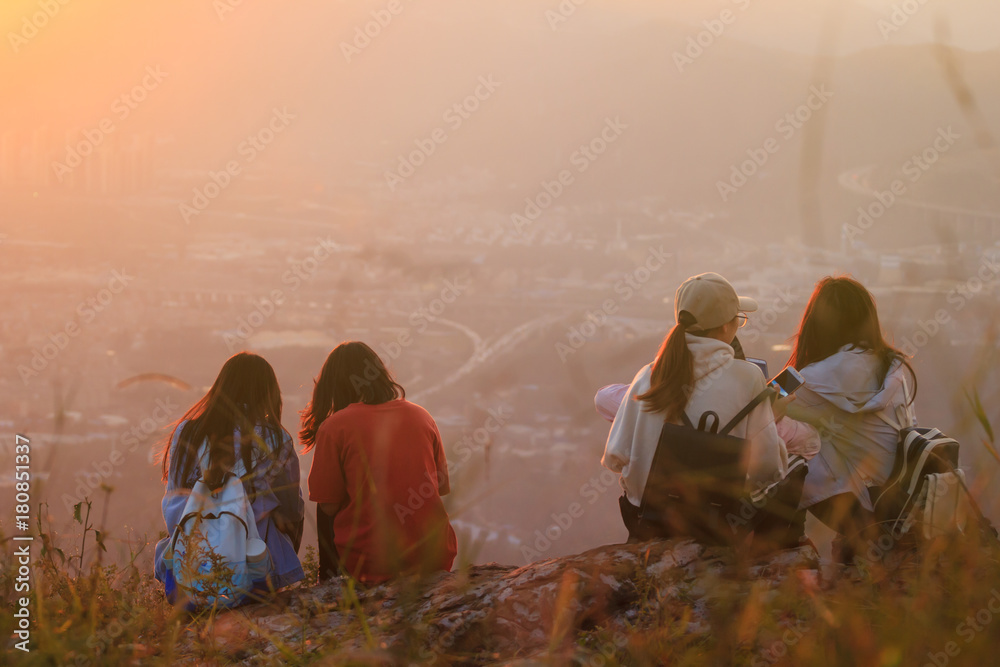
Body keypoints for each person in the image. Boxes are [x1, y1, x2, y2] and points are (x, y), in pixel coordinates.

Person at [602, 272, 791, 542]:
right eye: (739, 319)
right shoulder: (748, 377)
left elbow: (614, 456)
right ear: (726, 327)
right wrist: (771, 418)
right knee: (797, 465)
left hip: (648, 521)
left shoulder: (649, 375)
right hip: (713, 526)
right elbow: (768, 469)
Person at [300, 341, 457, 584]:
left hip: (370, 565)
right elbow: (442, 487)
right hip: (434, 557)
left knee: (324, 506)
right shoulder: (422, 416)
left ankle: (328, 579)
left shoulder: (335, 427)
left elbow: (329, 507)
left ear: (333, 385)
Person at [786, 276, 917, 558]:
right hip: (899, 496)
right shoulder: (893, 368)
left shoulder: (811, 379)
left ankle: (782, 545)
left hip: (866, 511)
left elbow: (767, 409)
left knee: (785, 449)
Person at [154, 352, 305, 596]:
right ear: (267, 393)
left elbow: (174, 498)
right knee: (290, 506)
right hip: (254, 560)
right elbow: (291, 509)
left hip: (195, 557)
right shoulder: (276, 439)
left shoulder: (187, 432)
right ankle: (275, 570)